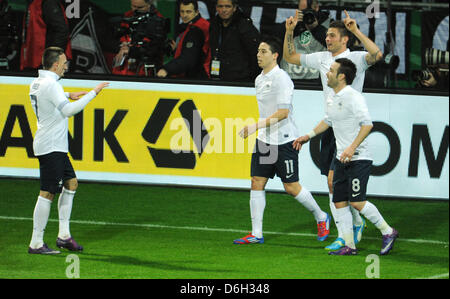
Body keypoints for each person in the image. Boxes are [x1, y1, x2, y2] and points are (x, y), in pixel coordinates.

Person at [284, 10, 383, 251]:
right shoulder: (321, 58)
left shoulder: (356, 58)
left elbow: (377, 54)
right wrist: (289, 30)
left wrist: (356, 29)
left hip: (349, 128)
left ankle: (347, 234)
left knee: (334, 181)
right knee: (332, 184)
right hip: (331, 125)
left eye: (331, 36)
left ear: (344, 38)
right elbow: (290, 57)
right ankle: (351, 228)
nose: (327, 39)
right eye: (326, 36)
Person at [293, 58, 399, 255]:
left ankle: (388, 231)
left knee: (357, 202)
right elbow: (328, 121)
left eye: (331, 70)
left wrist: (351, 148)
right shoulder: (333, 97)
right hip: (341, 158)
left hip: (358, 157)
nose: (327, 73)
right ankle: (350, 246)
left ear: (341, 76)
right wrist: (308, 136)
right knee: (339, 201)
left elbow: (367, 125)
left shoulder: (353, 96)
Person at [233, 36, 330, 245]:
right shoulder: (259, 79)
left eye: (263, 51)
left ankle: (321, 217)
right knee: (256, 182)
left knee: (291, 187)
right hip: (264, 140)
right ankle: (256, 233)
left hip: (284, 140)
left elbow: (284, 112)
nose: (258, 55)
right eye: (258, 51)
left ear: (275, 55)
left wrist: (255, 126)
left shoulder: (282, 78)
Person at [28, 47, 109, 254]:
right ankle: (36, 242)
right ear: (55, 65)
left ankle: (64, 236)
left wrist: (67, 93)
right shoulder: (50, 85)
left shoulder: (39, 82)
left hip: (52, 144)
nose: (66, 66)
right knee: (47, 193)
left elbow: (50, 97)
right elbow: (69, 111)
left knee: (71, 183)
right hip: (51, 145)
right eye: (64, 63)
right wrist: (93, 92)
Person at [156, 0, 211, 79]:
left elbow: (189, 58)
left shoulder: (196, 29)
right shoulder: (195, 25)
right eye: (182, 11)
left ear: (197, 12)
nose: (184, 15)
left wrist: (166, 69)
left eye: (188, 12)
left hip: (197, 77)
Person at [112, 0, 167, 76]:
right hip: (123, 70)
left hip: (145, 71)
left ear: (149, 4)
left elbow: (153, 50)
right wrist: (123, 45)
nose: (135, 10)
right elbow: (120, 36)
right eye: (133, 6)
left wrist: (131, 50)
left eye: (140, 7)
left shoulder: (158, 21)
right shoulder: (128, 16)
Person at [280, 0, 332, 81]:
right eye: (302, 12)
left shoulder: (330, 25)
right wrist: (294, 28)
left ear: (317, 8)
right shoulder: (292, 26)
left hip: (318, 81)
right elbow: (276, 41)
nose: (306, 15)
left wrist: (316, 28)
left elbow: (336, 46)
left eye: (309, 12)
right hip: (290, 77)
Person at [209, 0, 260, 82]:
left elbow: (255, 54)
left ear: (234, 8)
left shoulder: (245, 26)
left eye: (227, 6)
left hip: (241, 80)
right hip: (218, 77)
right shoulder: (214, 25)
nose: (224, 10)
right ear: (216, 8)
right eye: (220, 6)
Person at [20, 0, 72, 70]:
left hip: (45, 63)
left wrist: (52, 60)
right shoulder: (35, 3)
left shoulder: (47, 2)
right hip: (37, 61)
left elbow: (61, 31)